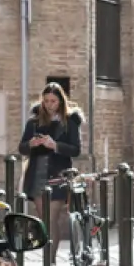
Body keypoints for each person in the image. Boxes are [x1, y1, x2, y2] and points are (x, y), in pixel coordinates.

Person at [18, 83, 83, 245]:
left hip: (58, 174)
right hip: (38, 174)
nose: (49, 105)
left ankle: (51, 263)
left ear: (61, 101)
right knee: (43, 220)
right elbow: (22, 147)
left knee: (51, 219)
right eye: (46, 101)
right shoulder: (33, 122)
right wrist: (31, 144)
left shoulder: (70, 122)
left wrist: (55, 145)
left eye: (53, 101)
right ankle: (47, 259)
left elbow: (76, 150)